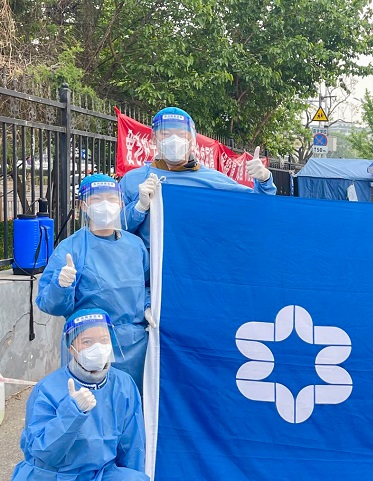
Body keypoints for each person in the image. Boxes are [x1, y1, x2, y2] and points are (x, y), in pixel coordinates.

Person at [8, 309, 152, 481]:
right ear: (71, 347)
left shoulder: (122, 384)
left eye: (103, 340)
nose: (97, 348)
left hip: (97, 480)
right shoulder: (48, 389)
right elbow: (41, 452)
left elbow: (132, 444)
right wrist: (71, 413)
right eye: (87, 342)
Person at [36, 174, 151, 392]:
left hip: (134, 345)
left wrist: (147, 306)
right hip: (87, 343)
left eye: (111, 199)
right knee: (84, 403)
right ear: (83, 205)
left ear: (121, 204)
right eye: (97, 199)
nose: (105, 205)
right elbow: (48, 304)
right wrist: (61, 286)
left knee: (129, 402)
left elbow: (147, 285)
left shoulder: (135, 246)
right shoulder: (71, 248)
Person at [120, 106, 277, 250]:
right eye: (166, 134)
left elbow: (258, 208)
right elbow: (114, 230)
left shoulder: (214, 180)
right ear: (154, 139)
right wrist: (139, 208)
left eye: (182, 134)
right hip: (151, 270)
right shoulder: (133, 180)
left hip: (194, 265)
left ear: (192, 141)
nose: (174, 140)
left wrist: (264, 180)